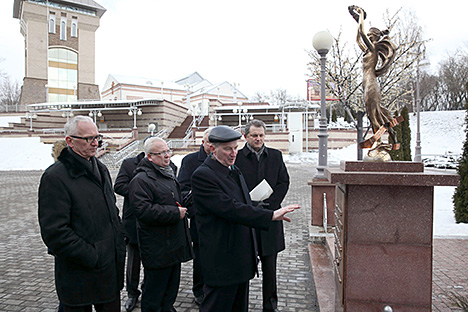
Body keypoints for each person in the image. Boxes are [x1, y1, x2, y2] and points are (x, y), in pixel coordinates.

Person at [191, 125, 299, 312]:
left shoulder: (233, 170)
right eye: (227, 149)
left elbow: (246, 203)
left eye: (235, 148)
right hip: (222, 261)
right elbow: (230, 208)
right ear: (212, 149)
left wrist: (268, 208)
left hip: (240, 259)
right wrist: (270, 215)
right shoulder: (204, 175)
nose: (233, 153)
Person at [38, 116, 126, 312]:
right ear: (69, 141)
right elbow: (55, 233)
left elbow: (111, 211)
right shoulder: (55, 177)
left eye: (97, 137)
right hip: (79, 274)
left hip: (108, 271)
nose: (96, 143)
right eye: (88, 139)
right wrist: (92, 255)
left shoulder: (100, 169)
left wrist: (118, 240)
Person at [128, 137, 193, 312]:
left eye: (168, 151)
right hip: (157, 247)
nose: (167, 156)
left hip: (174, 244)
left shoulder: (168, 173)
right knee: (154, 294)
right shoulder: (141, 180)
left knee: (170, 291)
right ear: (149, 157)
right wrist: (174, 213)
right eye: (162, 153)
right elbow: (143, 211)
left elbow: (173, 200)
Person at [235, 119, 289, 312]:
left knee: (270, 269)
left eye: (261, 135)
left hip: (270, 217)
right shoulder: (237, 157)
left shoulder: (275, 156)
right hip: (246, 220)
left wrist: (271, 205)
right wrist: (249, 205)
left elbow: (284, 182)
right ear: (245, 136)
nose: (258, 139)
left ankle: (270, 307)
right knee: (242, 268)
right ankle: (241, 306)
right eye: (254, 135)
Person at [349, 4, 398, 150]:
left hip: (371, 84)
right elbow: (359, 38)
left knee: (372, 114)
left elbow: (362, 35)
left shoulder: (374, 48)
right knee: (376, 113)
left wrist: (362, 16)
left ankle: (378, 142)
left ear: (376, 38)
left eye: (371, 37)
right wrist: (357, 21)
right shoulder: (367, 51)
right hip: (366, 85)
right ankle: (393, 136)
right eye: (369, 36)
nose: (368, 39)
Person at [177, 128, 211, 305]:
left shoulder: (227, 159)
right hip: (199, 218)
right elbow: (182, 190)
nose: (212, 145)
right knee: (200, 258)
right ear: (203, 142)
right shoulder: (190, 161)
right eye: (208, 141)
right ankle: (199, 289)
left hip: (221, 219)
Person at [114, 147, 146, 312]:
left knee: (153, 260)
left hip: (155, 222)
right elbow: (118, 186)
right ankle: (132, 293)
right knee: (133, 261)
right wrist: (140, 193)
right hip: (133, 221)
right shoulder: (129, 164)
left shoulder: (168, 165)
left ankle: (147, 289)